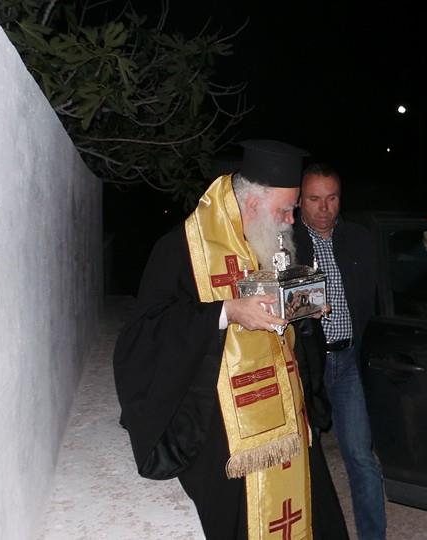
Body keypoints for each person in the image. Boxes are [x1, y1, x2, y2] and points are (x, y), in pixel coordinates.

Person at [113, 140, 347, 540]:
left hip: (286, 413)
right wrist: (226, 312)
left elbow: (283, 319)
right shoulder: (183, 249)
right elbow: (145, 335)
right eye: (285, 210)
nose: (291, 221)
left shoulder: (271, 237)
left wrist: (302, 310)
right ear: (252, 204)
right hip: (223, 428)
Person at [293, 163, 427, 540]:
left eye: (332, 198)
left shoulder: (358, 238)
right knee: (302, 461)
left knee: (362, 458)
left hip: (350, 361)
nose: (324, 208)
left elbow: (394, 277)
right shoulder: (285, 243)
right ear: (299, 200)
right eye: (314, 199)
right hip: (305, 364)